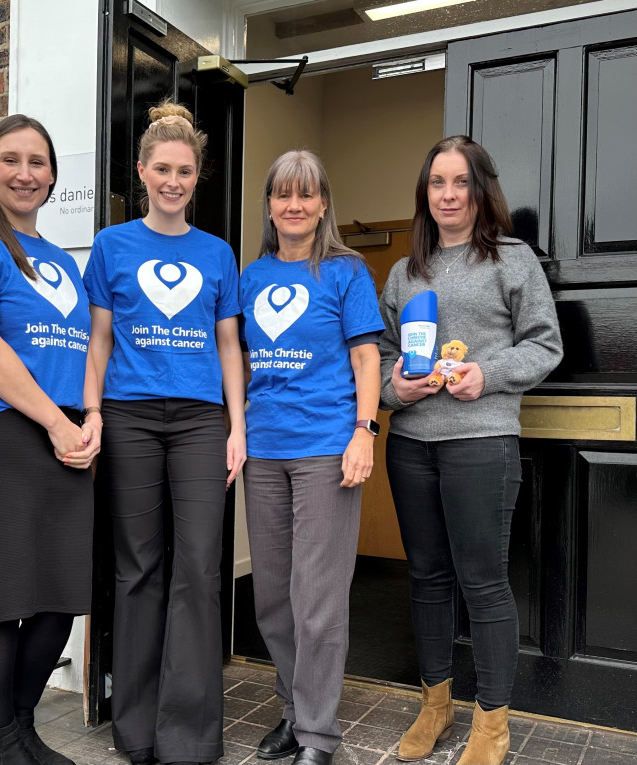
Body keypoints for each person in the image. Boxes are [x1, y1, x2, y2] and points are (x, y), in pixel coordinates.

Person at [379, 136, 563, 765]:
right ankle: (436, 705)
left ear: (481, 190)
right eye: (437, 183)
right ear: (424, 193)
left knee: (484, 585)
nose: (448, 195)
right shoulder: (406, 271)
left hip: (481, 442)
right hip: (410, 446)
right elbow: (377, 357)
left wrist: (488, 373)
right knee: (427, 580)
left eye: (460, 182)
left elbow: (545, 344)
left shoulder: (512, 259)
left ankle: (492, 723)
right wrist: (392, 388)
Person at [84, 101, 246, 765]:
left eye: (185, 170)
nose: (173, 180)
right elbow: (98, 339)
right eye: (162, 169)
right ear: (143, 172)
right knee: (137, 569)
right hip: (129, 415)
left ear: (197, 175)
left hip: (201, 419)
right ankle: (137, 728)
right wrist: (91, 410)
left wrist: (239, 425)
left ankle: (191, 733)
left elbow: (229, 344)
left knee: (199, 569)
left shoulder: (217, 253)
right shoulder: (111, 245)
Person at [0, 114, 100, 765]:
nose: (25, 172)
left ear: (54, 176)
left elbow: (89, 348)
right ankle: (1, 739)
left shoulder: (65, 261)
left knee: (60, 597)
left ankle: (24, 724)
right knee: (3, 598)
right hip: (2, 432)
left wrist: (92, 417)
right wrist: (57, 421)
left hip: (66, 437)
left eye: (38, 162)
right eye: (11, 160)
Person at [239, 150, 383, 765]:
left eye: (306, 195)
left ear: (323, 203)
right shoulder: (250, 277)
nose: (293, 206)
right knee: (273, 597)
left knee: (318, 600)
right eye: (282, 195)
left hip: (327, 447)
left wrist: (364, 431)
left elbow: (367, 359)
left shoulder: (346, 272)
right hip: (264, 450)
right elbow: (238, 361)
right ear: (270, 206)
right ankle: (294, 715)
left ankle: (319, 736)